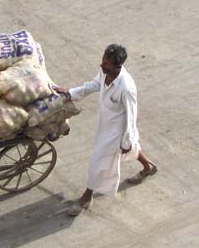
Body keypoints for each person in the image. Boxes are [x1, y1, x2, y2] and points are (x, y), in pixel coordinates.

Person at [56, 44, 158, 217]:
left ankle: (86, 198)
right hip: (105, 124)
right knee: (129, 150)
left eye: (106, 64)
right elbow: (94, 85)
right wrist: (70, 93)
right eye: (103, 61)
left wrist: (127, 140)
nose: (102, 66)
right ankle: (148, 167)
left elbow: (131, 117)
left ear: (117, 66)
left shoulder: (126, 87)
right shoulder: (106, 73)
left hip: (117, 131)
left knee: (98, 162)